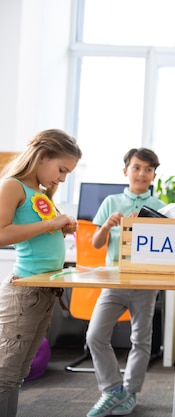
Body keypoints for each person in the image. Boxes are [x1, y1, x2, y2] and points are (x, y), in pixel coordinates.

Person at [0, 129, 82, 417]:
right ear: (42, 156)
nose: (62, 178)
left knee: (18, 373)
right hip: (24, 292)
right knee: (5, 373)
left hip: (43, 291)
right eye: (61, 169)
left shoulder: (41, 194)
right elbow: (1, 234)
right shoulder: (13, 186)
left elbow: (40, 236)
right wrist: (51, 225)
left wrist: (61, 228)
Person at [85, 148, 166, 417]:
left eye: (148, 169)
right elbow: (96, 244)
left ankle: (130, 392)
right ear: (125, 171)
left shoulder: (160, 207)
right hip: (115, 279)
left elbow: (165, 248)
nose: (142, 173)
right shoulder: (111, 201)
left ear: (154, 174)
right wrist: (107, 226)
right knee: (95, 335)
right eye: (136, 167)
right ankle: (112, 389)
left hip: (145, 281)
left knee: (141, 339)